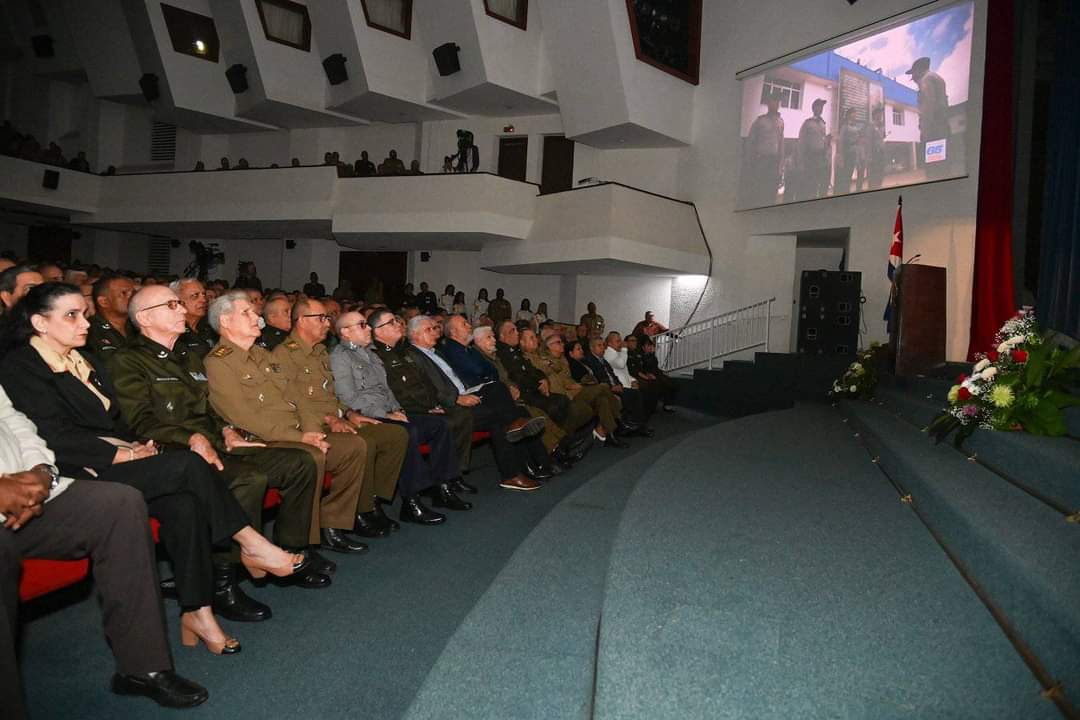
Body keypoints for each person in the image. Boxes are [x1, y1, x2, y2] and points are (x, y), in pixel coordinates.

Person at [0, 283, 309, 659]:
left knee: (184, 504)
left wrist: (137, 446)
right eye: (72, 315)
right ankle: (252, 543)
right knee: (189, 464)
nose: (85, 322)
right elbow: (52, 435)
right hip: (76, 471)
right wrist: (124, 455)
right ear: (39, 323)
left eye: (84, 314)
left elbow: (117, 422)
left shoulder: (86, 361)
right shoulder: (23, 366)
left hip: (115, 457)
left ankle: (199, 611)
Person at [112, 285, 329, 620]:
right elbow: (139, 421)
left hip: (216, 443)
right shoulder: (126, 361)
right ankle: (225, 583)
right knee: (249, 479)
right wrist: (193, 438)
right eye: (172, 305)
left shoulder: (187, 356)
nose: (183, 309)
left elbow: (208, 409)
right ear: (145, 318)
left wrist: (227, 430)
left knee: (299, 462)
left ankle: (290, 549)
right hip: (174, 453)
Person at [0, 386, 209, 714]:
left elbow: (11, 418)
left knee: (120, 503)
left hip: (29, 488)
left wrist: (41, 472)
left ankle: (141, 668)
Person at [204, 292, 369, 554]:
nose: (255, 316)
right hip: (265, 438)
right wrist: (301, 438)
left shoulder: (263, 355)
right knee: (311, 457)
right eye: (246, 313)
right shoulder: (219, 362)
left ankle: (332, 526)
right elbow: (243, 418)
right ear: (225, 321)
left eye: (253, 311)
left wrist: (312, 430)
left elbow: (299, 398)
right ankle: (296, 546)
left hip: (295, 431)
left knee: (353, 447)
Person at [271, 298, 409, 537]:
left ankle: (371, 501)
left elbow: (333, 393)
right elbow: (293, 401)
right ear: (302, 321)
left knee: (395, 434)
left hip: (336, 417)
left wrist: (349, 413)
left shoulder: (319, 351)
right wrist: (332, 418)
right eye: (322, 318)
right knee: (361, 444)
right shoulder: (285, 354)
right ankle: (338, 521)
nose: (327, 323)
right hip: (310, 424)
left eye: (327, 318)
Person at [331, 311, 464, 520]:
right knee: (407, 432)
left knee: (439, 425)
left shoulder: (370, 355)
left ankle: (442, 486)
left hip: (387, 412)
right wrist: (385, 414)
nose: (368, 329)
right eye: (362, 325)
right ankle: (411, 501)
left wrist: (396, 409)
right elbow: (348, 397)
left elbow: (387, 390)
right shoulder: (340, 356)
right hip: (367, 415)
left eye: (367, 324)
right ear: (345, 332)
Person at [524, 329, 628, 447]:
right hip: (569, 394)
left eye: (561, 342)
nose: (562, 344)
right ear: (549, 347)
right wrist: (577, 385)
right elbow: (561, 383)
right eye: (558, 342)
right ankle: (619, 420)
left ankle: (610, 434)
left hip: (576, 389)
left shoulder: (562, 359)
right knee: (603, 387)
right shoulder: (545, 361)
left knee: (603, 400)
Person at [906, 56, 949, 178]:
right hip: (941, 126)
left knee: (933, 170)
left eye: (913, 73)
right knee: (943, 167)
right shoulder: (937, 78)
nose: (912, 78)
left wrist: (926, 131)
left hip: (933, 130)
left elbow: (929, 106)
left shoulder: (926, 80)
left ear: (919, 70)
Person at [85, 275, 136, 364]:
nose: (132, 297)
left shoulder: (138, 326)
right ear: (104, 301)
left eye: (133, 293)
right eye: (124, 293)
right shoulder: (89, 331)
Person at [746, 91, 785, 206]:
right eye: (774, 101)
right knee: (759, 192)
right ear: (768, 103)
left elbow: (781, 144)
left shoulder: (781, 122)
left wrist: (781, 165)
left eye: (778, 101)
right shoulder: (760, 121)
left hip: (774, 162)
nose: (776, 104)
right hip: (761, 162)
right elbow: (750, 143)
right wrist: (750, 164)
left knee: (772, 192)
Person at [171, 278, 217, 357]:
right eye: (195, 296)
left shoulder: (211, 328)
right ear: (177, 301)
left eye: (204, 294)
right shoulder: (172, 332)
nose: (203, 300)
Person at [795, 98, 830, 201]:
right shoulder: (807, 123)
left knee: (818, 184)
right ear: (814, 108)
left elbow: (823, 141)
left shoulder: (823, 123)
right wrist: (801, 162)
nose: (821, 109)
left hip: (821, 158)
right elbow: (801, 143)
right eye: (819, 106)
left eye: (822, 107)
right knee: (809, 186)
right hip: (810, 158)